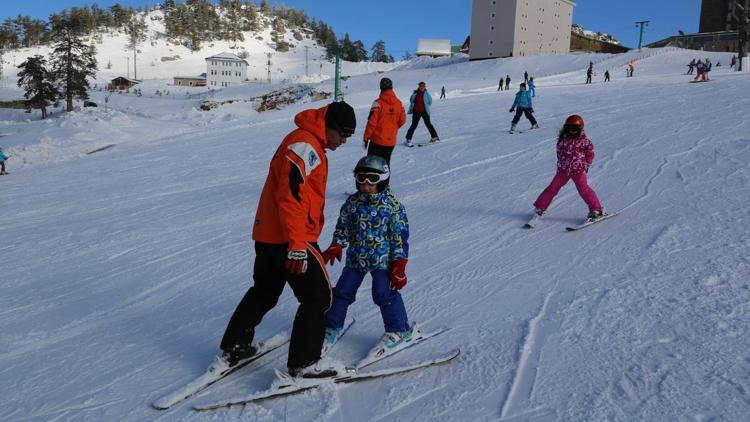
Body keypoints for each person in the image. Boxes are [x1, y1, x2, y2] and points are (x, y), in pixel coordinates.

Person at [215, 101, 356, 379]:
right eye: (342, 134)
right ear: (328, 126)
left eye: (348, 136)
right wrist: (297, 246)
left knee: (265, 289)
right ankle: (304, 364)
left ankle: (236, 345)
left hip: (269, 234)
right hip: (290, 238)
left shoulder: (305, 142)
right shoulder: (306, 145)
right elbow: (290, 196)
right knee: (318, 295)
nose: (344, 141)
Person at [320, 155, 413, 354]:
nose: (366, 184)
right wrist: (337, 245)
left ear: (383, 180)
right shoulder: (352, 203)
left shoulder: (392, 207)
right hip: (356, 258)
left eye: (372, 179)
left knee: (383, 293)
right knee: (342, 292)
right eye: (361, 178)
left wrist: (399, 264)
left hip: (382, 260)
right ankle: (332, 326)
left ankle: (399, 330)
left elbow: (399, 236)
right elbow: (343, 227)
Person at [532, 115, 604, 222]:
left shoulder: (585, 141)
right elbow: (559, 153)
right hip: (563, 170)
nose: (572, 132)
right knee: (552, 188)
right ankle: (540, 207)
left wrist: (586, 164)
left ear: (580, 128)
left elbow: (590, 153)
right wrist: (562, 163)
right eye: (569, 129)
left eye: (575, 129)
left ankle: (596, 210)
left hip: (578, 170)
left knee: (584, 190)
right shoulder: (563, 140)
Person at [363, 77, 406, 164]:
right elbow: (403, 120)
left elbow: (372, 122)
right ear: (391, 87)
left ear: (381, 88)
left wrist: (366, 137)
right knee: (385, 165)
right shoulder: (399, 103)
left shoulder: (377, 103)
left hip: (377, 141)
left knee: (372, 166)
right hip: (390, 142)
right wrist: (393, 127)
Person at [405, 82, 439, 146]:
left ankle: (435, 137)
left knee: (428, 124)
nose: (422, 87)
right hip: (416, 111)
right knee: (414, 125)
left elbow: (430, 101)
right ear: (419, 86)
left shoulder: (426, 94)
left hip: (424, 111)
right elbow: (411, 100)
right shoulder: (415, 93)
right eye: (421, 86)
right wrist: (413, 96)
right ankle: (408, 138)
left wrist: (426, 106)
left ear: (425, 87)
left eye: (423, 86)